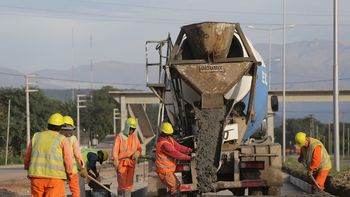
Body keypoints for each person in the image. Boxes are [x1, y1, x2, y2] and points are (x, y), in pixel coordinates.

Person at [24, 113, 73, 197]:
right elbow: (68, 159)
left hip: (36, 177)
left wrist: (27, 167)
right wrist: (69, 173)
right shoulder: (62, 139)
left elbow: (27, 155)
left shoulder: (36, 136)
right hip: (55, 179)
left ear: (48, 125)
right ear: (61, 127)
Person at [156, 122, 192, 197]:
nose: (169, 136)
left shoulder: (169, 139)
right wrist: (188, 157)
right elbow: (175, 153)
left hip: (168, 172)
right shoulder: (164, 144)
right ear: (164, 133)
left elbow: (178, 147)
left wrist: (189, 150)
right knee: (175, 189)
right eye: (168, 134)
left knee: (176, 186)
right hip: (165, 172)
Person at [111, 117, 142, 197]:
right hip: (121, 164)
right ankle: (121, 195)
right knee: (122, 184)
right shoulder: (120, 137)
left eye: (133, 129)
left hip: (131, 164)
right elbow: (115, 150)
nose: (132, 131)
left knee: (129, 184)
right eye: (131, 128)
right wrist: (115, 160)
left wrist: (137, 153)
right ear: (127, 127)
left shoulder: (135, 137)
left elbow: (139, 148)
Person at [60, 115, 87, 197]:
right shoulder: (73, 139)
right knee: (75, 191)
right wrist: (82, 167)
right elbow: (78, 155)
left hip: (60, 170)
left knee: (60, 190)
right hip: (72, 170)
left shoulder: (57, 138)